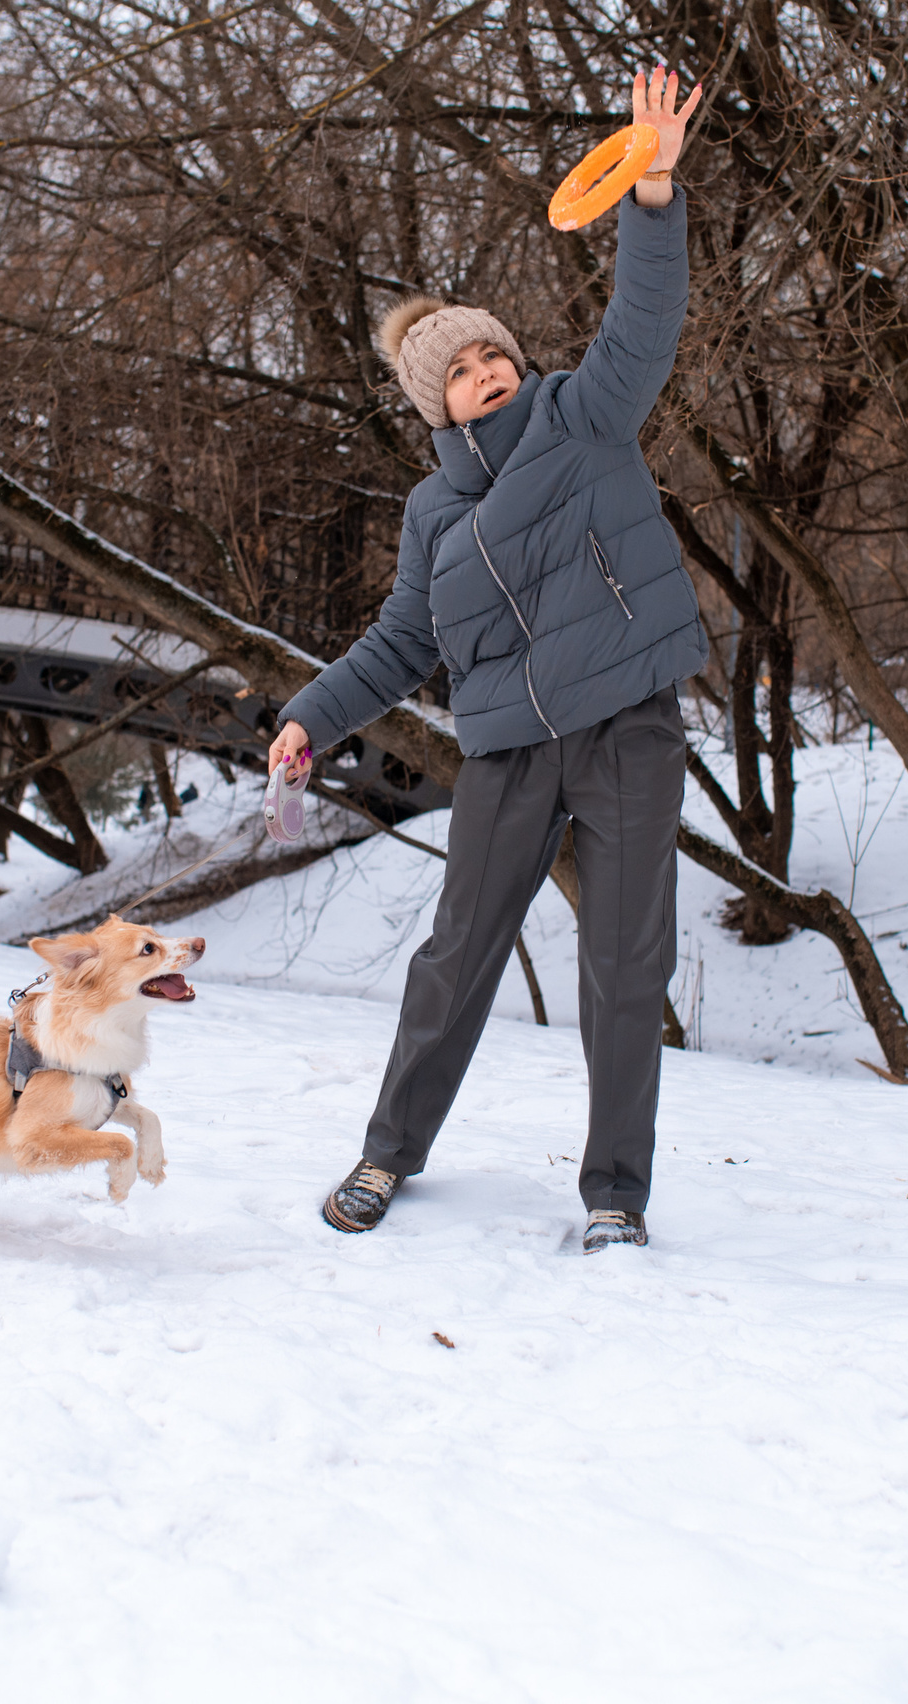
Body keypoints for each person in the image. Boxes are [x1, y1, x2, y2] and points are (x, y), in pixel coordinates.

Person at [268, 66, 708, 1254]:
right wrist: (313, 714)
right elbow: (403, 641)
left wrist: (651, 193)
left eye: (491, 354)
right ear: (437, 403)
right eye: (458, 369)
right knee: (455, 960)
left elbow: (644, 320)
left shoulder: (582, 414)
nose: (485, 370)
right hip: (510, 754)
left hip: (627, 727)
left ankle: (615, 1193)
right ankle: (385, 1154)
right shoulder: (431, 515)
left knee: (624, 971)